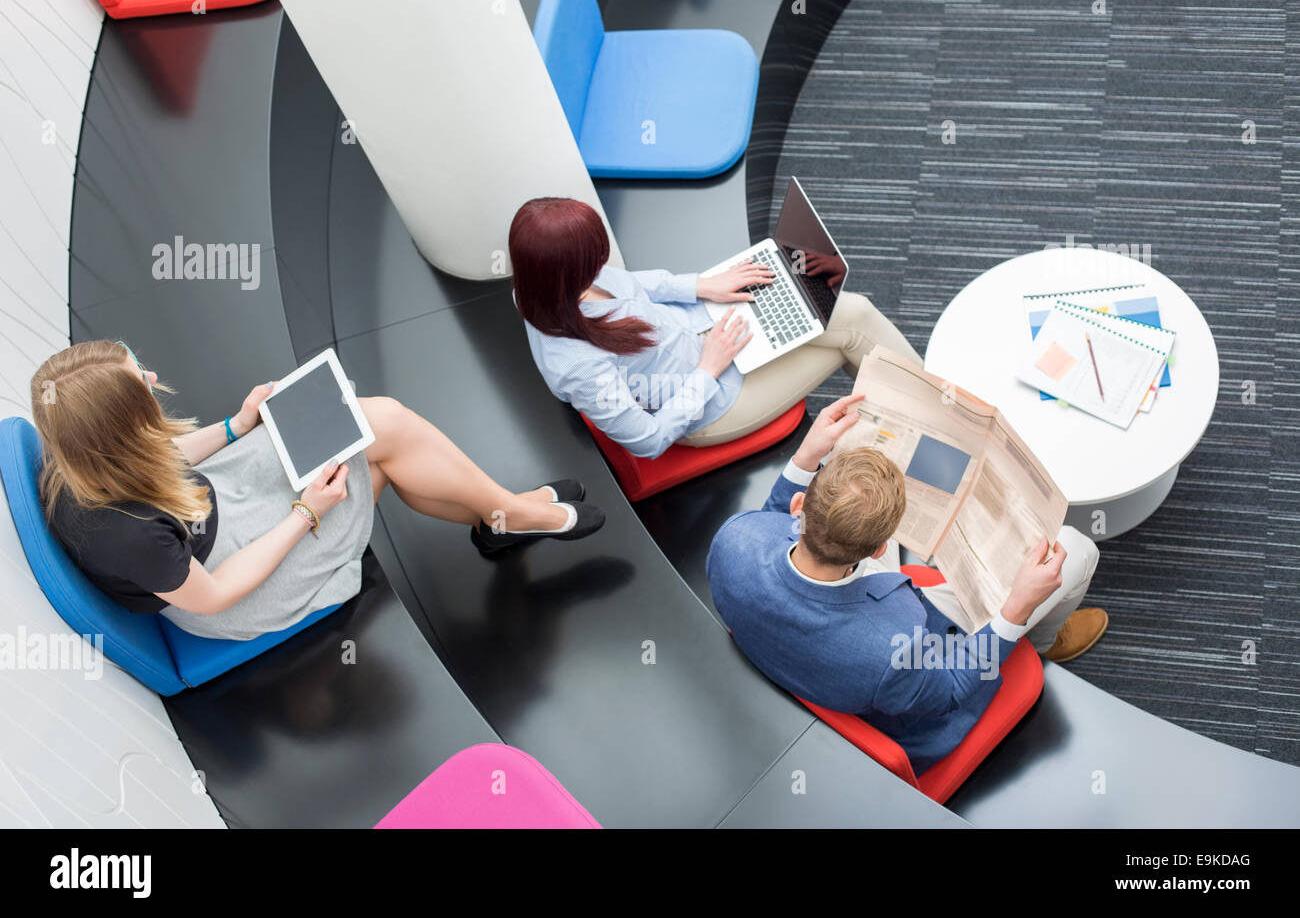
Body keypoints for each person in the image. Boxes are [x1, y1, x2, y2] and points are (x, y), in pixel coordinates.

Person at [31, 341, 604, 641]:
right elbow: (217, 594)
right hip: (226, 572)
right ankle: (512, 515)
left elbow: (159, 460)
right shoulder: (127, 537)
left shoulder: (79, 455)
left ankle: (504, 516)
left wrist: (237, 425)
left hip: (210, 505)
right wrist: (307, 512)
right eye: (141, 382)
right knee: (379, 456)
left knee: (378, 427)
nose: (152, 379)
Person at [706, 394, 1107, 775]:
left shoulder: (731, 540)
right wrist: (1016, 609)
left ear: (799, 507)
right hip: (890, 672)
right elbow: (951, 688)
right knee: (1077, 549)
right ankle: (1036, 642)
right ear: (879, 548)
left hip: (823, 637)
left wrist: (806, 457)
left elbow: (767, 526)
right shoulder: (894, 648)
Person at [510, 196, 921, 458]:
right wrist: (709, 367)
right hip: (710, 404)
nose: (602, 267)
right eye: (592, 263)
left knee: (855, 312)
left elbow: (634, 283)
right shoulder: (580, 367)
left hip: (701, 333)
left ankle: (928, 412)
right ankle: (935, 422)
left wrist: (702, 284)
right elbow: (648, 441)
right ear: (566, 273)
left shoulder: (540, 286)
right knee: (846, 338)